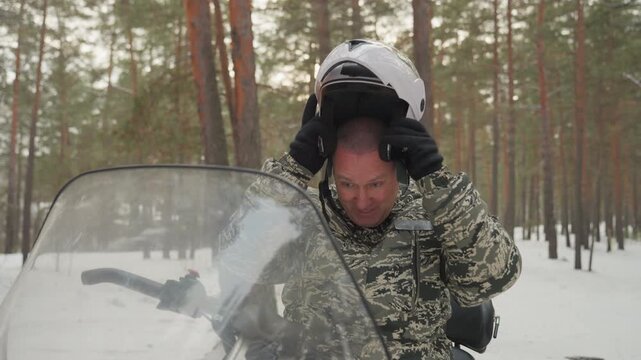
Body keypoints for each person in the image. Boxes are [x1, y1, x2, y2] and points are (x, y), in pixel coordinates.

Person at [257, 39, 522, 359]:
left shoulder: (435, 219)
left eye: (375, 183)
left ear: (399, 166)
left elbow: (495, 274)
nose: (363, 200)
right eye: (348, 184)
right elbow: (240, 260)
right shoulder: (305, 215)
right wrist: (290, 172)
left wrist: (436, 178)